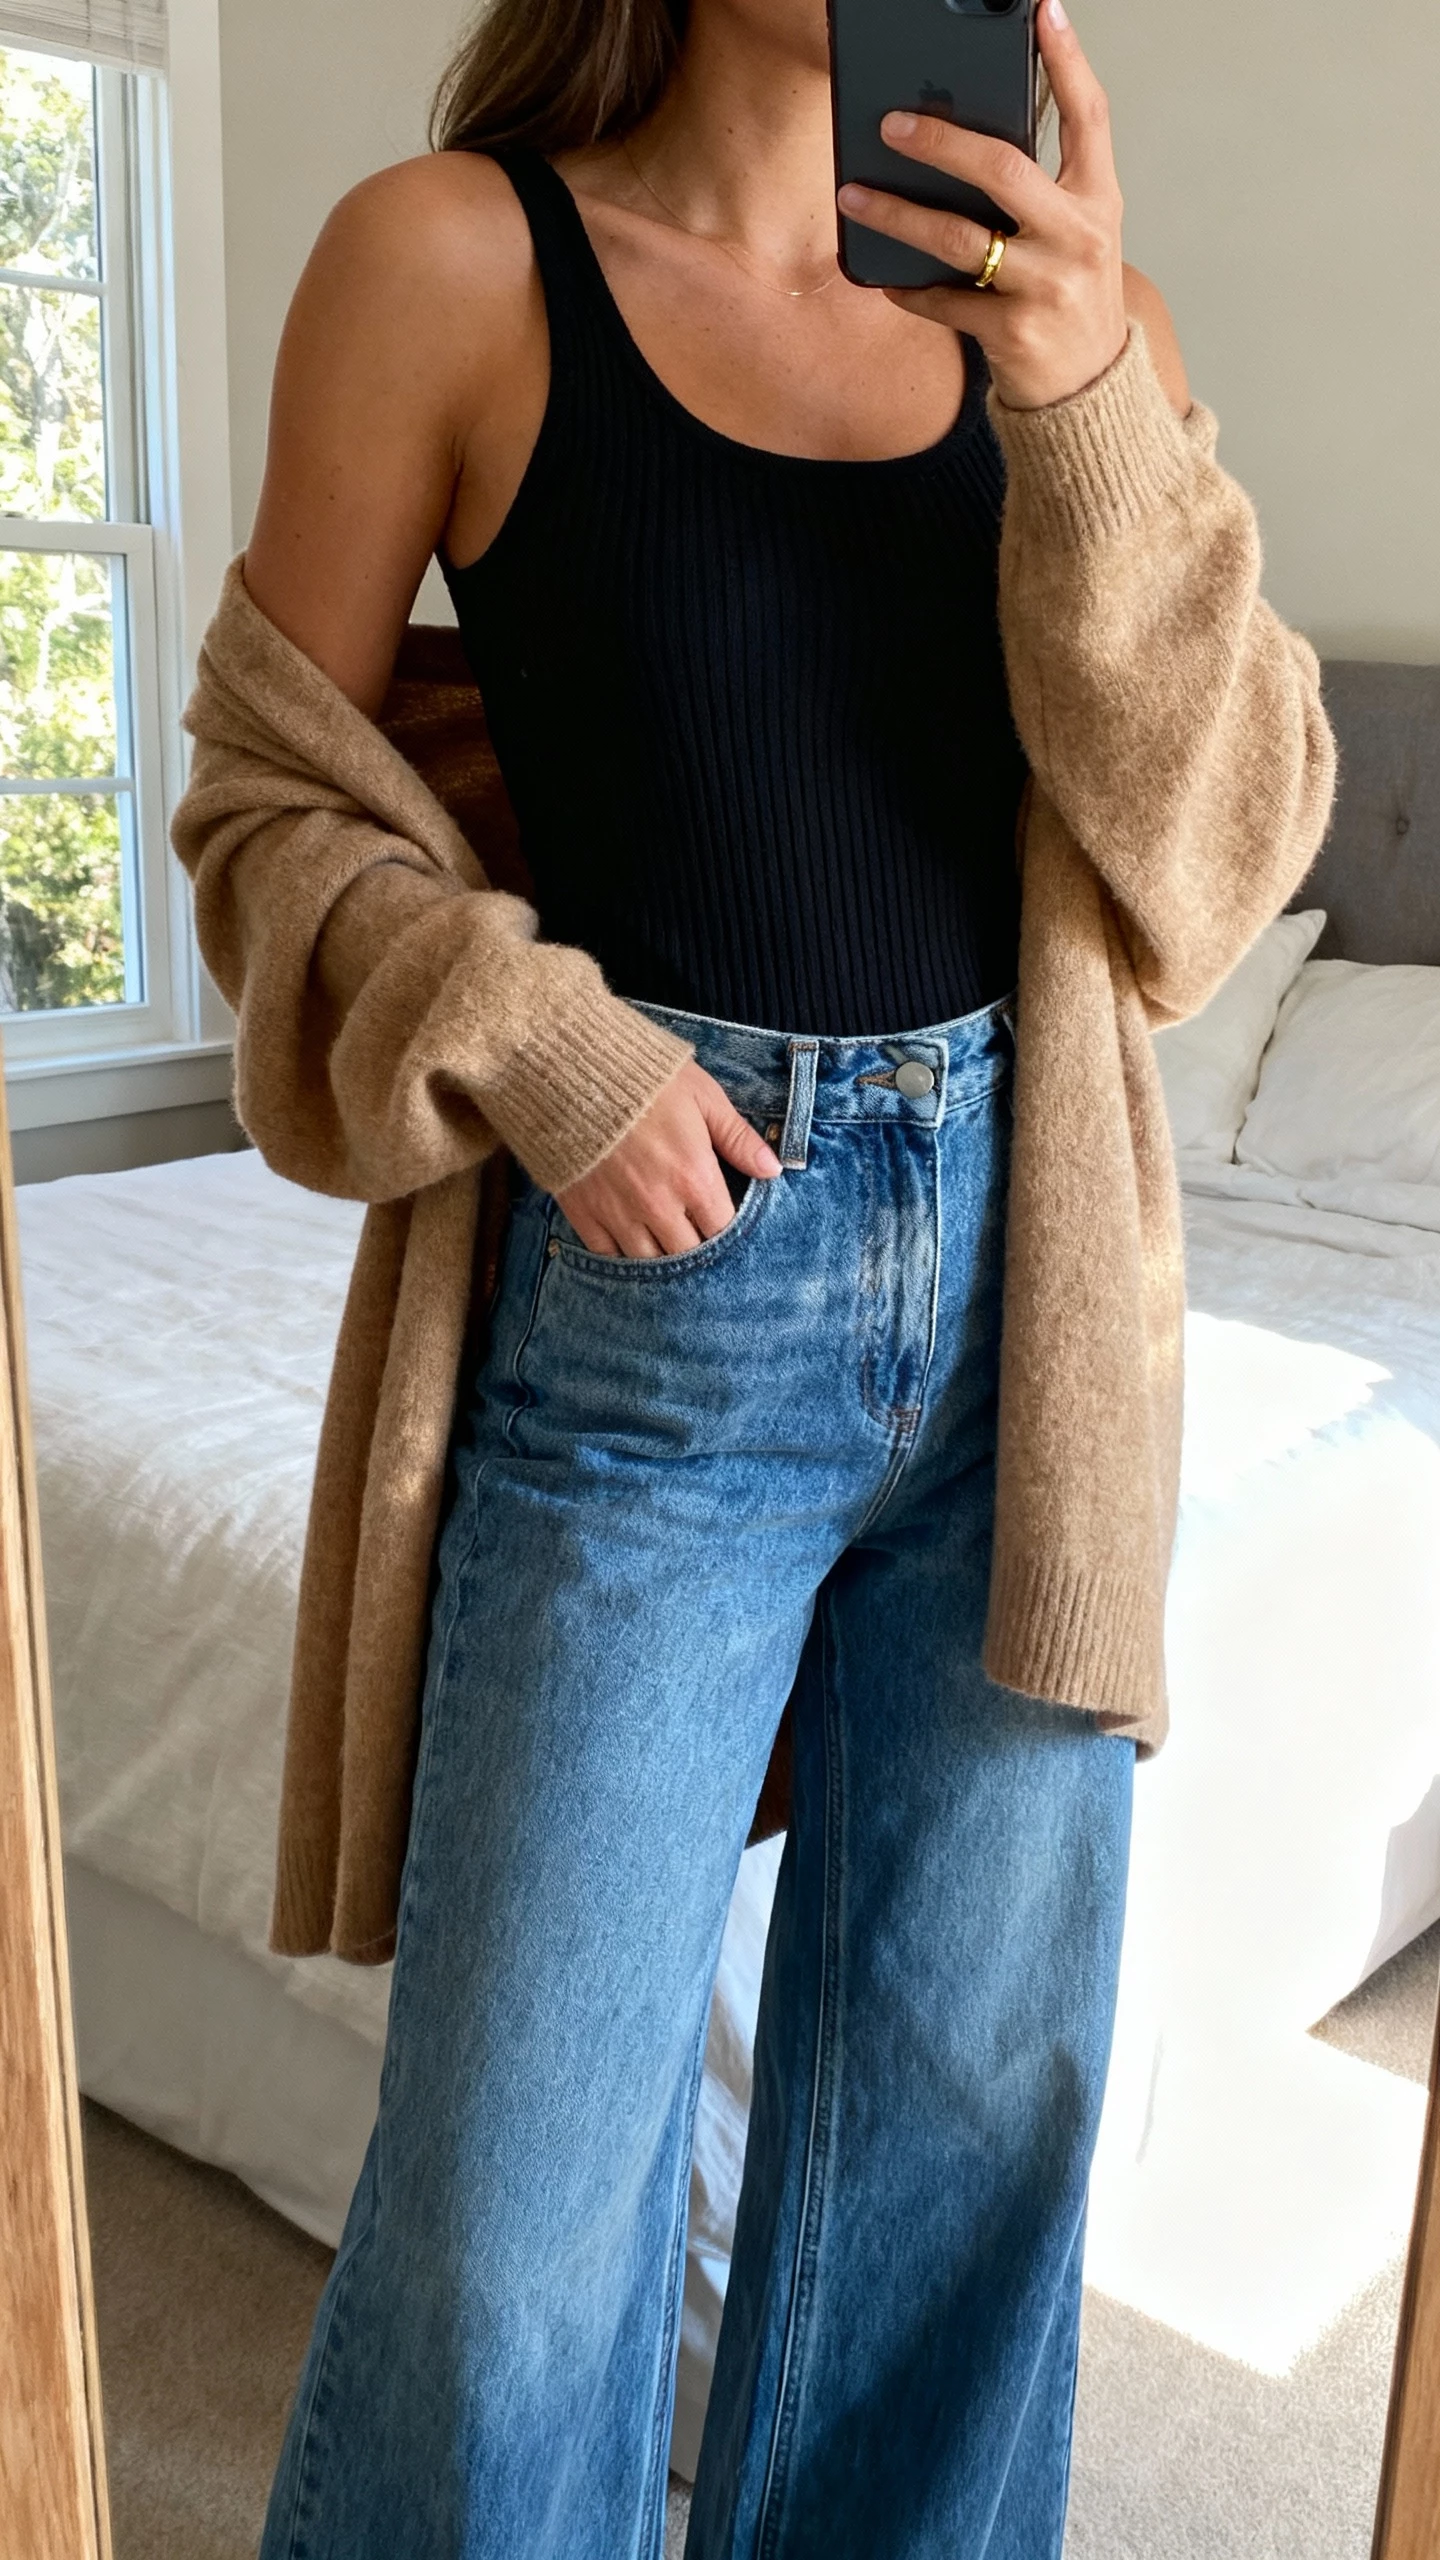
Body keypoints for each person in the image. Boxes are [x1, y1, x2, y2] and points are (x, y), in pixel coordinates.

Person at [178, 0, 1334, 2552]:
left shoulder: (1074, 315)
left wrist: (1088, 411)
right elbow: (267, 799)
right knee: (507, 2231)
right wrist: (536, 1043)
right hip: (656, 1316)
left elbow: (1220, 859)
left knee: (955, 2182)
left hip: (1040, 1329)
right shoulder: (454, 259)